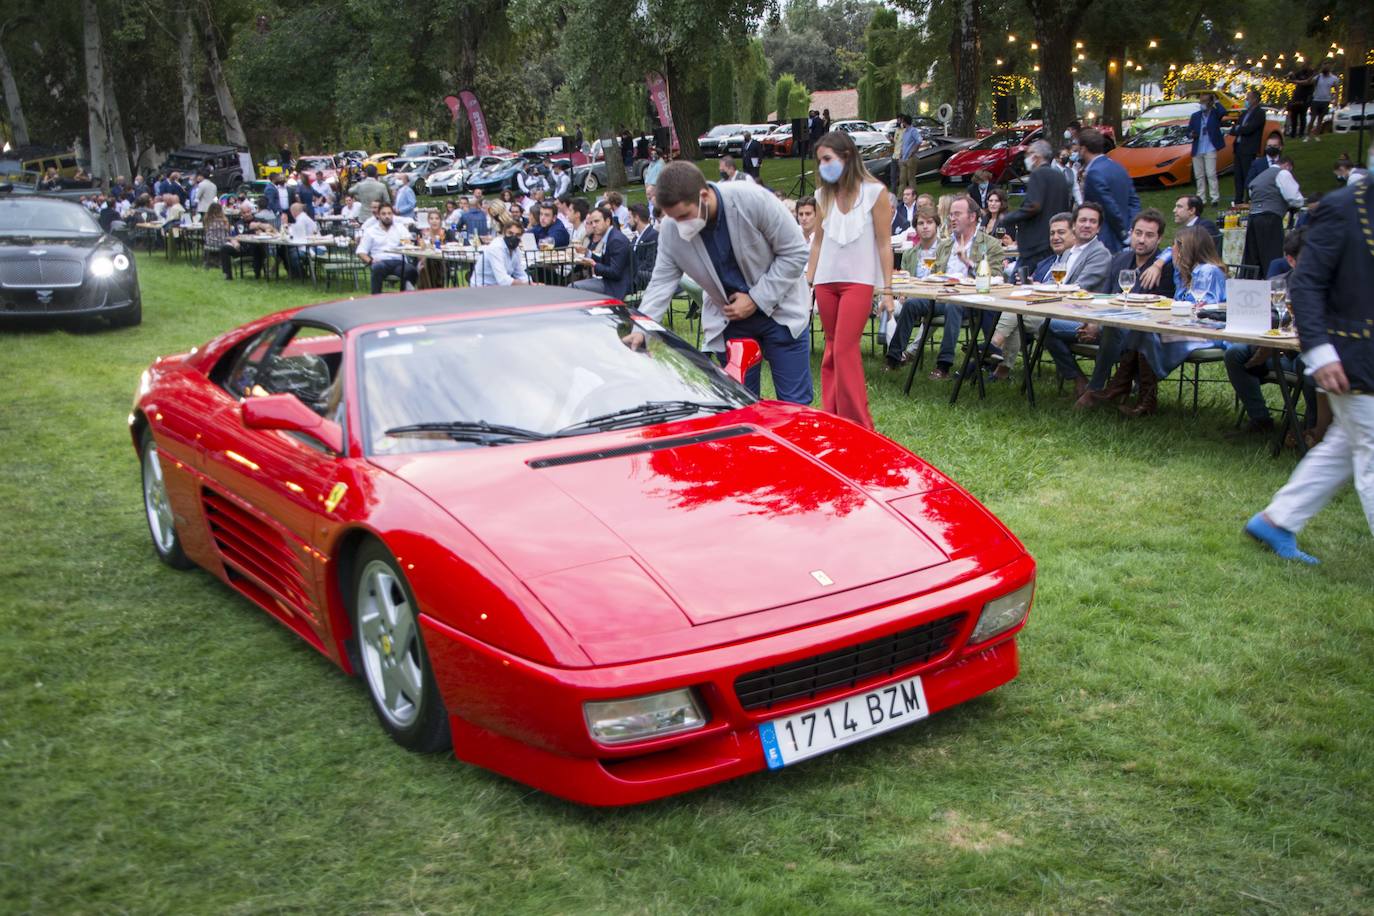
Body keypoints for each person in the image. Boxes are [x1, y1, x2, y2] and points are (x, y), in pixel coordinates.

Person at [1245, 174, 1374, 562]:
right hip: (1352, 353)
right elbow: (1306, 284)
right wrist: (1320, 352)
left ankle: (1277, 520)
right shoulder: (1343, 207)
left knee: (1345, 444)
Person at [632, 161, 813, 404]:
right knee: (740, 407)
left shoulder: (752, 200)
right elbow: (661, 282)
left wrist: (756, 299)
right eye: (673, 219)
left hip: (781, 312)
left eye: (684, 216)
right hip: (730, 322)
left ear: (704, 195)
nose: (680, 225)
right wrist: (641, 329)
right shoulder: (671, 230)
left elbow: (796, 252)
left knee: (795, 407)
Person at [805, 130, 894, 430]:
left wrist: (888, 291)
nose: (823, 166)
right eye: (819, 161)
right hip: (826, 280)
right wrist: (809, 280)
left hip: (858, 280)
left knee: (844, 348)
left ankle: (859, 423)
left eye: (827, 159)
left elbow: (884, 243)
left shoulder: (874, 192)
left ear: (846, 156)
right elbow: (817, 241)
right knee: (831, 348)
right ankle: (832, 416)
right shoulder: (822, 195)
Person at [1108, 226, 1227, 417]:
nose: (1172, 251)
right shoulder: (1183, 272)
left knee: (1146, 332)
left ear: (1186, 248)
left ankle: (1134, 393)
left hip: (1206, 331)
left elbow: (1203, 310)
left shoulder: (1207, 271)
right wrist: (1159, 263)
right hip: (1182, 325)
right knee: (1142, 329)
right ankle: (1130, 389)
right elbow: (1165, 253)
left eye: (1175, 246)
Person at [989, 203, 1112, 381]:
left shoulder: (1099, 254)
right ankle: (1001, 370)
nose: (1087, 225)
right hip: (1055, 309)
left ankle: (991, 348)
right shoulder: (1069, 252)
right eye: (1083, 220)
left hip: (1078, 316)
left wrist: (1041, 288)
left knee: (1016, 312)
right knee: (1015, 311)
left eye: (1092, 222)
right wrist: (1035, 285)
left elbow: (1077, 289)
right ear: (1075, 225)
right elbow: (1054, 282)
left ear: (1099, 227)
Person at [1069, 209, 1177, 404]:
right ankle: (1078, 378)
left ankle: (1094, 390)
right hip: (1106, 321)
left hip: (1137, 333)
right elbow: (1106, 297)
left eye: (1149, 235)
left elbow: (1163, 308)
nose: (1142, 240)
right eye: (1138, 233)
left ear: (1159, 239)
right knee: (1049, 327)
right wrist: (1093, 322)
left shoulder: (1165, 268)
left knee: (1111, 328)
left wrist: (1102, 324)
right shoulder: (1120, 260)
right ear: (1131, 233)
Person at [909, 195, 1003, 381]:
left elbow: (997, 278)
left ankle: (943, 365)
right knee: (912, 303)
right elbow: (935, 272)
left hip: (971, 301)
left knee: (954, 305)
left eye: (957, 214)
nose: (952, 218)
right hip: (942, 296)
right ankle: (896, 357)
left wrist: (967, 262)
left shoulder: (990, 244)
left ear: (972, 217)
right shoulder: (946, 245)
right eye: (950, 214)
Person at [1226, 230, 1310, 435]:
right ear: (1291, 260)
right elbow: (1257, 324)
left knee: (1308, 363)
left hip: (1305, 355)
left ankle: (1312, 428)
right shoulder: (1275, 285)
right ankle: (1260, 419)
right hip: (1274, 353)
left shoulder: (1331, 287)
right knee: (1235, 353)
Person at [1000, 139, 1073, 277]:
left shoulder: (1037, 174)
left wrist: (1008, 217)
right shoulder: (1059, 176)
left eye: (1029, 154)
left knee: (1018, 284)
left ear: (1036, 156)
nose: (1027, 158)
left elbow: (1034, 205)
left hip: (1034, 245)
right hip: (1052, 242)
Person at [884, 206, 941, 370]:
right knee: (886, 306)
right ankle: (899, 352)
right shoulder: (909, 253)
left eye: (929, 222)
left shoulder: (945, 250)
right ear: (915, 228)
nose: (925, 226)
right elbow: (903, 278)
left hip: (935, 297)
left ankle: (899, 355)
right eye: (921, 223)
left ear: (936, 225)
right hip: (910, 297)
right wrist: (903, 292)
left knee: (914, 306)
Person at [1079, 127, 1139, 252]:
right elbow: (1133, 200)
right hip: (1127, 232)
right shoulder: (1119, 167)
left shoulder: (1093, 173)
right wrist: (1132, 228)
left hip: (1108, 238)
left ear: (1083, 149)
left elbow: (1108, 206)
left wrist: (1123, 233)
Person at [1244, 155, 1305, 271]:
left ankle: (1252, 284)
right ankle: (1273, 284)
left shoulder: (1260, 177)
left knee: (1253, 257)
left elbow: (1252, 193)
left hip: (1253, 217)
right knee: (1271, 255)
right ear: (1288, 165)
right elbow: (1294, 198)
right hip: (1270, 218)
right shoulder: (1283, 173)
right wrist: (1299, 204)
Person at [571, 205, 633, 299]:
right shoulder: (610, 236)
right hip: (610, 282)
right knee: (573, 286)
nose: (594, 225)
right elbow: (607, 262)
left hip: (617, 286)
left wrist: (594, 265)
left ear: (608, 221)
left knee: (573, 287)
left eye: (597, 221)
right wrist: (588, 253)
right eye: (592, 222)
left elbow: (615, 273)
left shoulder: (616, 240)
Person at [356, 203, 418, 294]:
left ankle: (404, 297)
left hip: (398, 262)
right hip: (381, 261)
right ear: (378, 215)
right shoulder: (370, 231)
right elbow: (361, 251)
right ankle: (376, 298)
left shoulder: (400, 228)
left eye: (389, 213)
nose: (387, 216)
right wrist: (370, 261)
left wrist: (408, 242)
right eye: (384, 214)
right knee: (377, 268)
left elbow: (408, 243)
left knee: (411, 270)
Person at [472, 208, 531, 287]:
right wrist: (526, 285)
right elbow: (503, 280)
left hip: (498, 287)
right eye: (510, 233)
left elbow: (520, 273)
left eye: (517, 235)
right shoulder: (496, 247)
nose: (514, 237)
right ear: (504, 232)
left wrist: (531, 283)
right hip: (482, 287)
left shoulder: (516, 249)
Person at [1187, 92, 1225, 206]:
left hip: (1210, 147)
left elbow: (1223, 112)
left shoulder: (1215, 114)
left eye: (1204, 101)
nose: (1202, 104)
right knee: (1199, 175)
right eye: (1201, 101)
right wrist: (1191, 134)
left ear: (1210, 102)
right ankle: (1201, 198)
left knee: (1211, 173)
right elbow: (1188, 131)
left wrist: (1216, 102)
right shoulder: (1195, 116)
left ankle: (1214, 198)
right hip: (1198, 148)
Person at [1230, 89, 1266, 204]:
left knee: (1247, 174)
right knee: (1238, 175)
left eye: (1248, 98)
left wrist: (1239, 129)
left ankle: (1249, 198)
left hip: (1249, 148)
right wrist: (1238, 129)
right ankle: (1238, 199)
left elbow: (1249, 129)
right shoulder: (1245, 113)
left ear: (1255, 99)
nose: (1246, 100)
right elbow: (1236, 128)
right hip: (1239, 147)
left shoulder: (1259, 113)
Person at [626, 203, 658, 292]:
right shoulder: (636, 238)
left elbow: (649, 265)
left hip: (644, 280)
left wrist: (629, 271)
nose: (628, 222)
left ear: (636, 218)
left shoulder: (653, 235)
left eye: (629, 218)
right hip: (635, 278)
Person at [1306, 60, 1340, 140]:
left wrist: (1336, 100)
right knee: (1312, 118)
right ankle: (1307, 135)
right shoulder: (1318, 76)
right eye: (1324, 65)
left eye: (1327, 66)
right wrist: (1314, 75)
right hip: (1316, 100)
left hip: (1326, 100)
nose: (1325, 67)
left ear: (1330, 67)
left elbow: (1337, 89)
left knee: (1320, 119)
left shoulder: (1334, 78)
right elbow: (1309, 81)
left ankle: (1317, 135)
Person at [1285, 63, 1315, 139]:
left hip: (1305, 98)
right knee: (1293, 116)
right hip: (1296, 97)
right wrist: (1290, 75)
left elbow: (1307, 82)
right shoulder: (1300, 72)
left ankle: (1301, 133)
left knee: (1302, 116)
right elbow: (1292, 77)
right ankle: (1293, 134)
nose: (1303, 67)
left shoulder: (1312, 74)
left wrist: (1293, 81)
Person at [897, 113, 922, 193]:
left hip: (910, 158)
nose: (902, 123)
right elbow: (903, 144)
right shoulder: (905, 132)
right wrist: (900, 155)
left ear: (905, 122)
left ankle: (913, 196)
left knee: (911, 179)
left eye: (903, 122)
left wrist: (913, 151)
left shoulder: (913, 131)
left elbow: (919, 141)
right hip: (903, 158)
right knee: (902, 179)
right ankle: (900, 197)